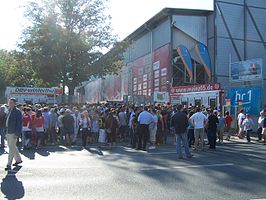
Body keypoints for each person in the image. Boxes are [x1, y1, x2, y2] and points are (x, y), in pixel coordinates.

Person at [5, 98, 23, 171]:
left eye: (11, 102)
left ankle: (9, 164)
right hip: (8, 131)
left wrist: (17, 133)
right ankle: (18, 159)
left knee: (11, 148)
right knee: (12, 146)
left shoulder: (17, 111)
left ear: (14, 103)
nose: (9, 103)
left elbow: (19, 123)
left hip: (13, 132)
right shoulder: (9, 110)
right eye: (9, 102)